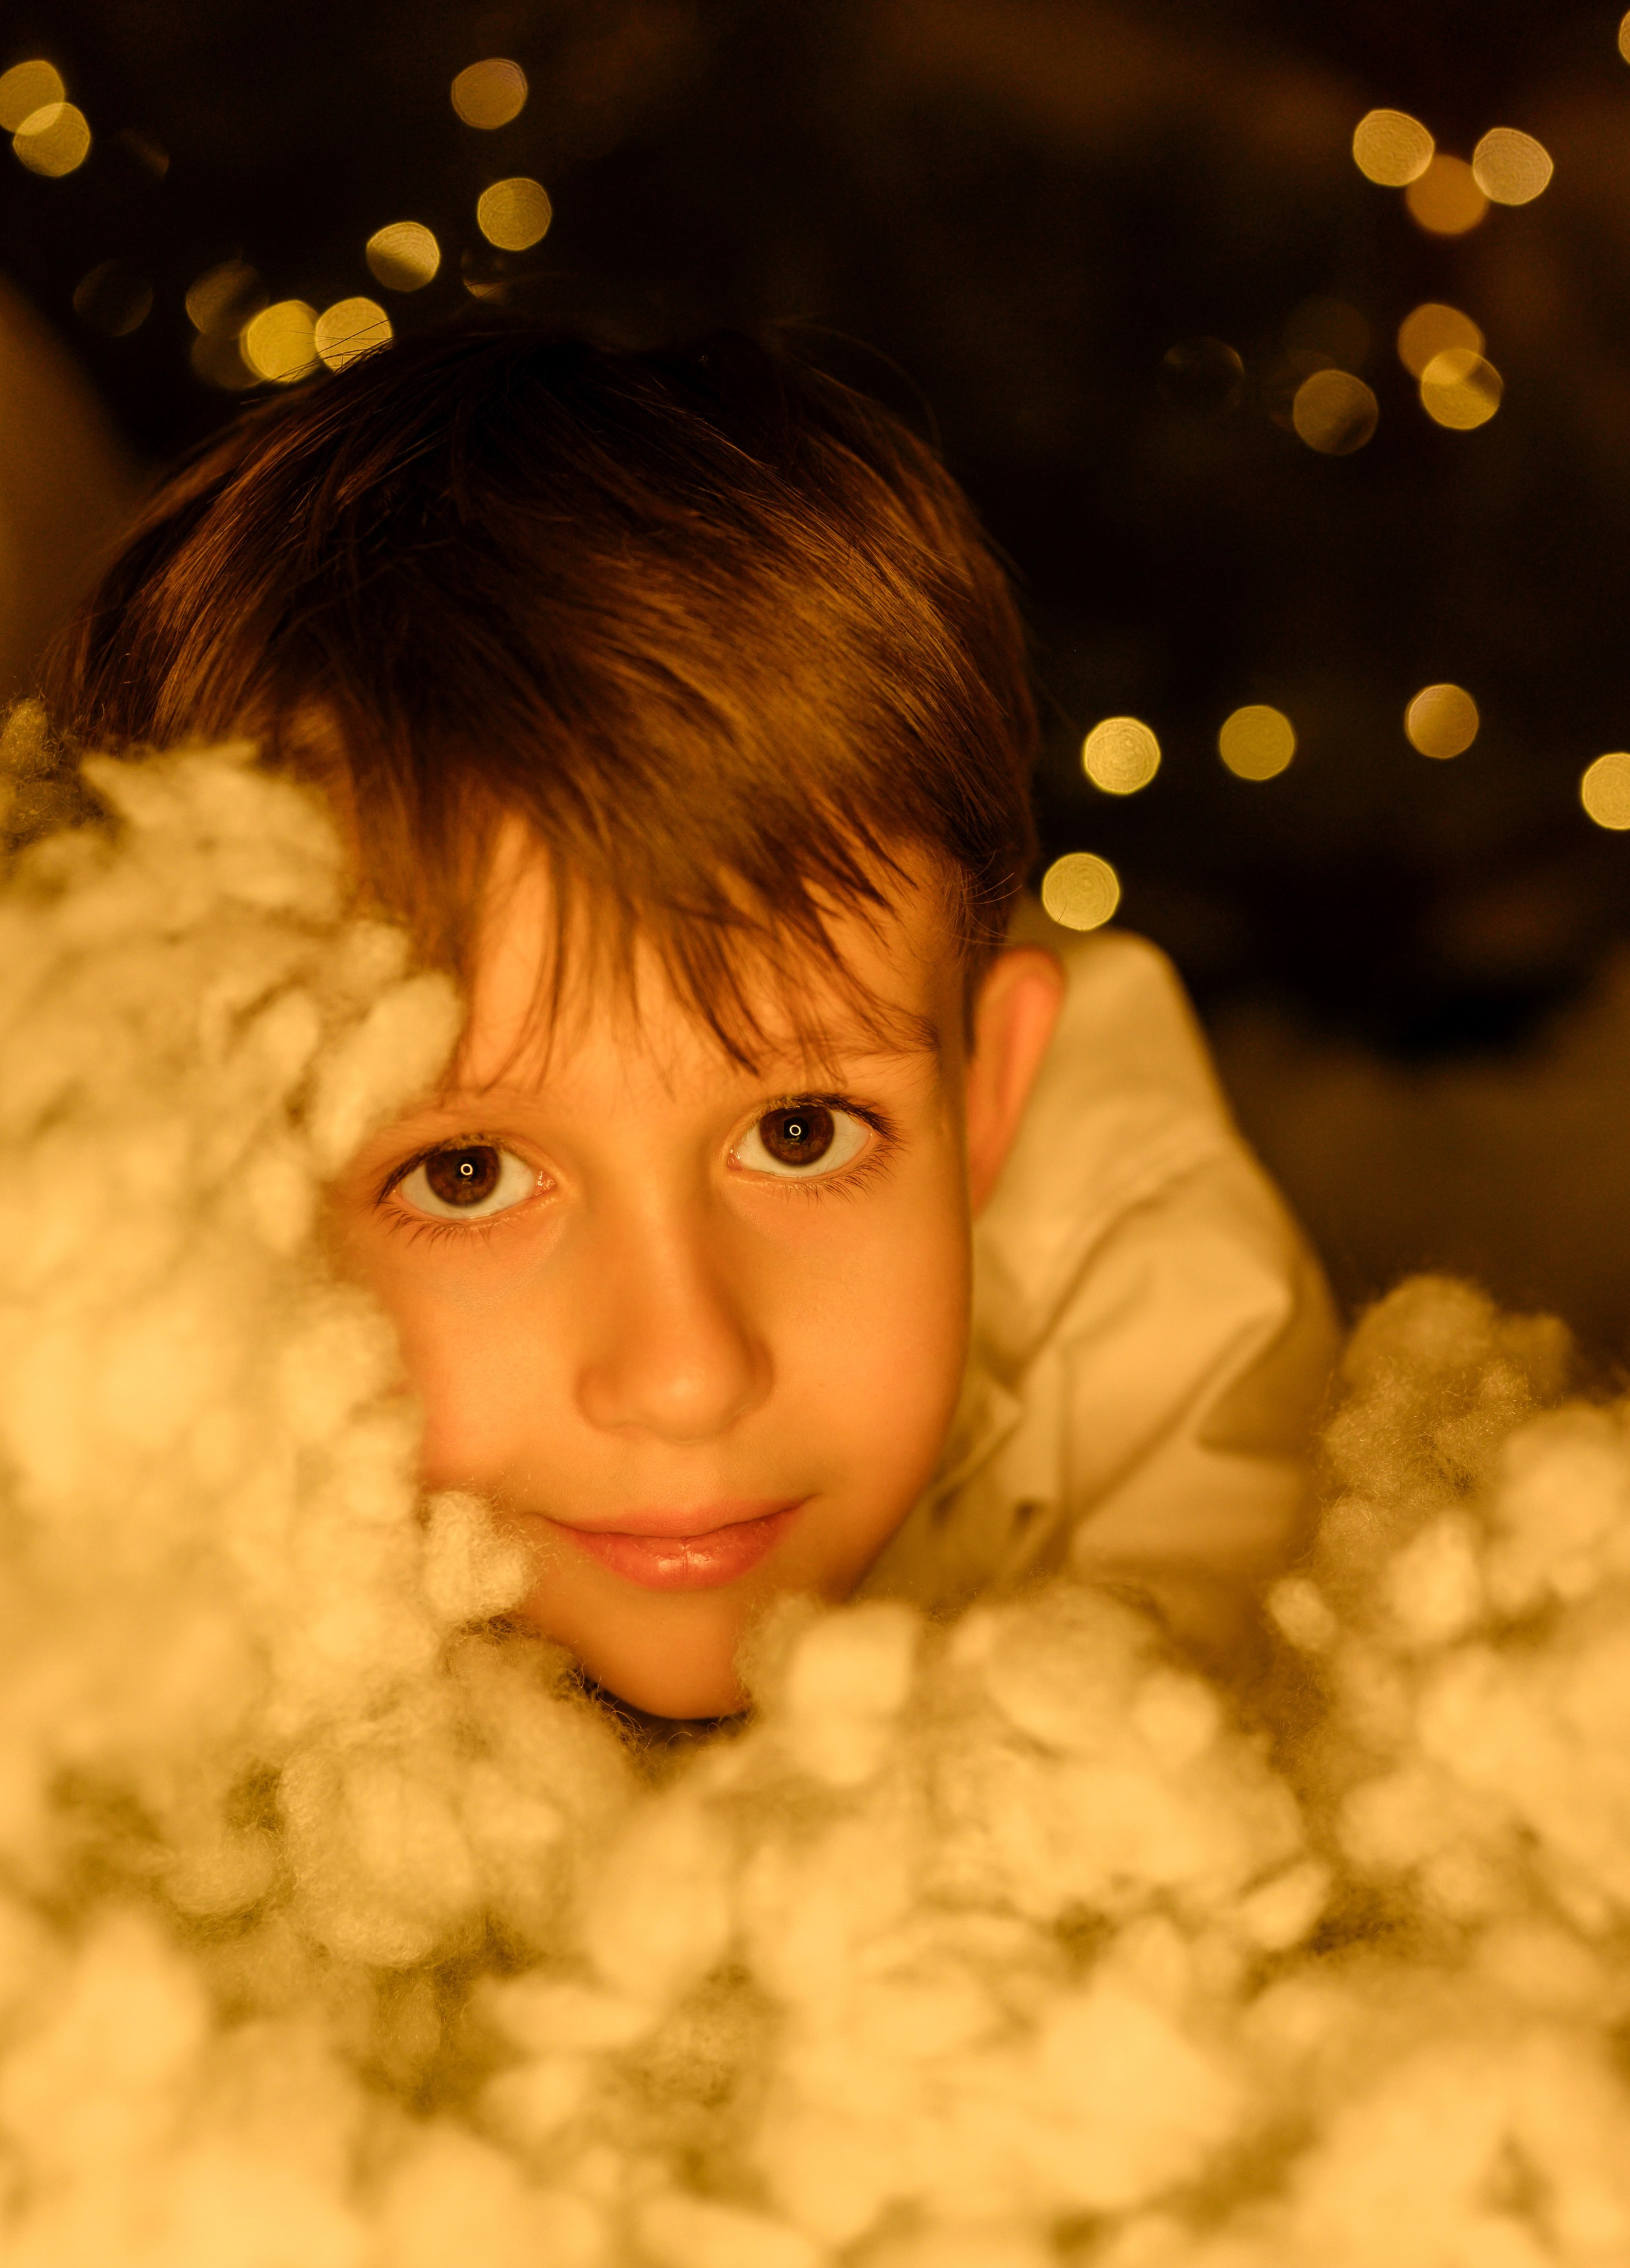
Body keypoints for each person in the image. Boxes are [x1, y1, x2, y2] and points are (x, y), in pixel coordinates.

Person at [44, 318, 1335, 1723]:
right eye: (465, 1173)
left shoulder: (1148, 1310)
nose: (686, 1371)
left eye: (798, 1132)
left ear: (984, 1101)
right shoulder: (101, 1403)